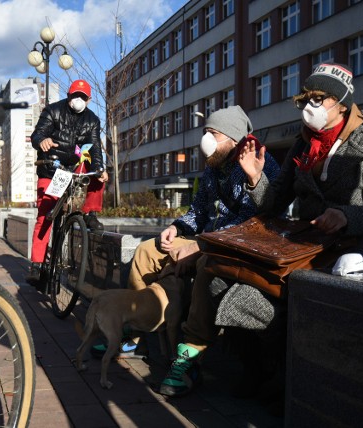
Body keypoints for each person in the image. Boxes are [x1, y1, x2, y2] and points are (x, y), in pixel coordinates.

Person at [158, 63, 363, 400]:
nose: (310, 107)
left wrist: (347, 216)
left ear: (342, 102)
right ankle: (256, 367)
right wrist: (256, 178)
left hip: (340, 254)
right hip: (296, 249)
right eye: (306, 99)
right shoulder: (302, 146)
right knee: (216, 279)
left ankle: (279, 374)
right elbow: (272, 204)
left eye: (319, 99)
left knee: (250, 299)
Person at [91, 105, 281, 358]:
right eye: (206, 132)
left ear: (233, 138)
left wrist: (199, 246)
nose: (206, 140)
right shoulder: (213, 168)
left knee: (205, 266)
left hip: (238, 247)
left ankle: (191, 351)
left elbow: (250, 223)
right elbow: (199, 210)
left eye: (213, 133)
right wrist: (176, 227)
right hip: (208, 240)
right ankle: (134, 330)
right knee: (147, 251)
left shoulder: (260, 162)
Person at [26, 79, 109, 287]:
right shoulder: (53, 111)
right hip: (51, 168)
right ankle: (36, 264)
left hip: (73, 168)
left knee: (97, 171)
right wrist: (42, 141)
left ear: (89, 100)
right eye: (75, 96)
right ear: (69, 96)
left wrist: (100, 169)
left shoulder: (92, 120)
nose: (78, 100)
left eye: (82, 97)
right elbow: (37, 135)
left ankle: (90, 214)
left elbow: (96, 148)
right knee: (45, 215)